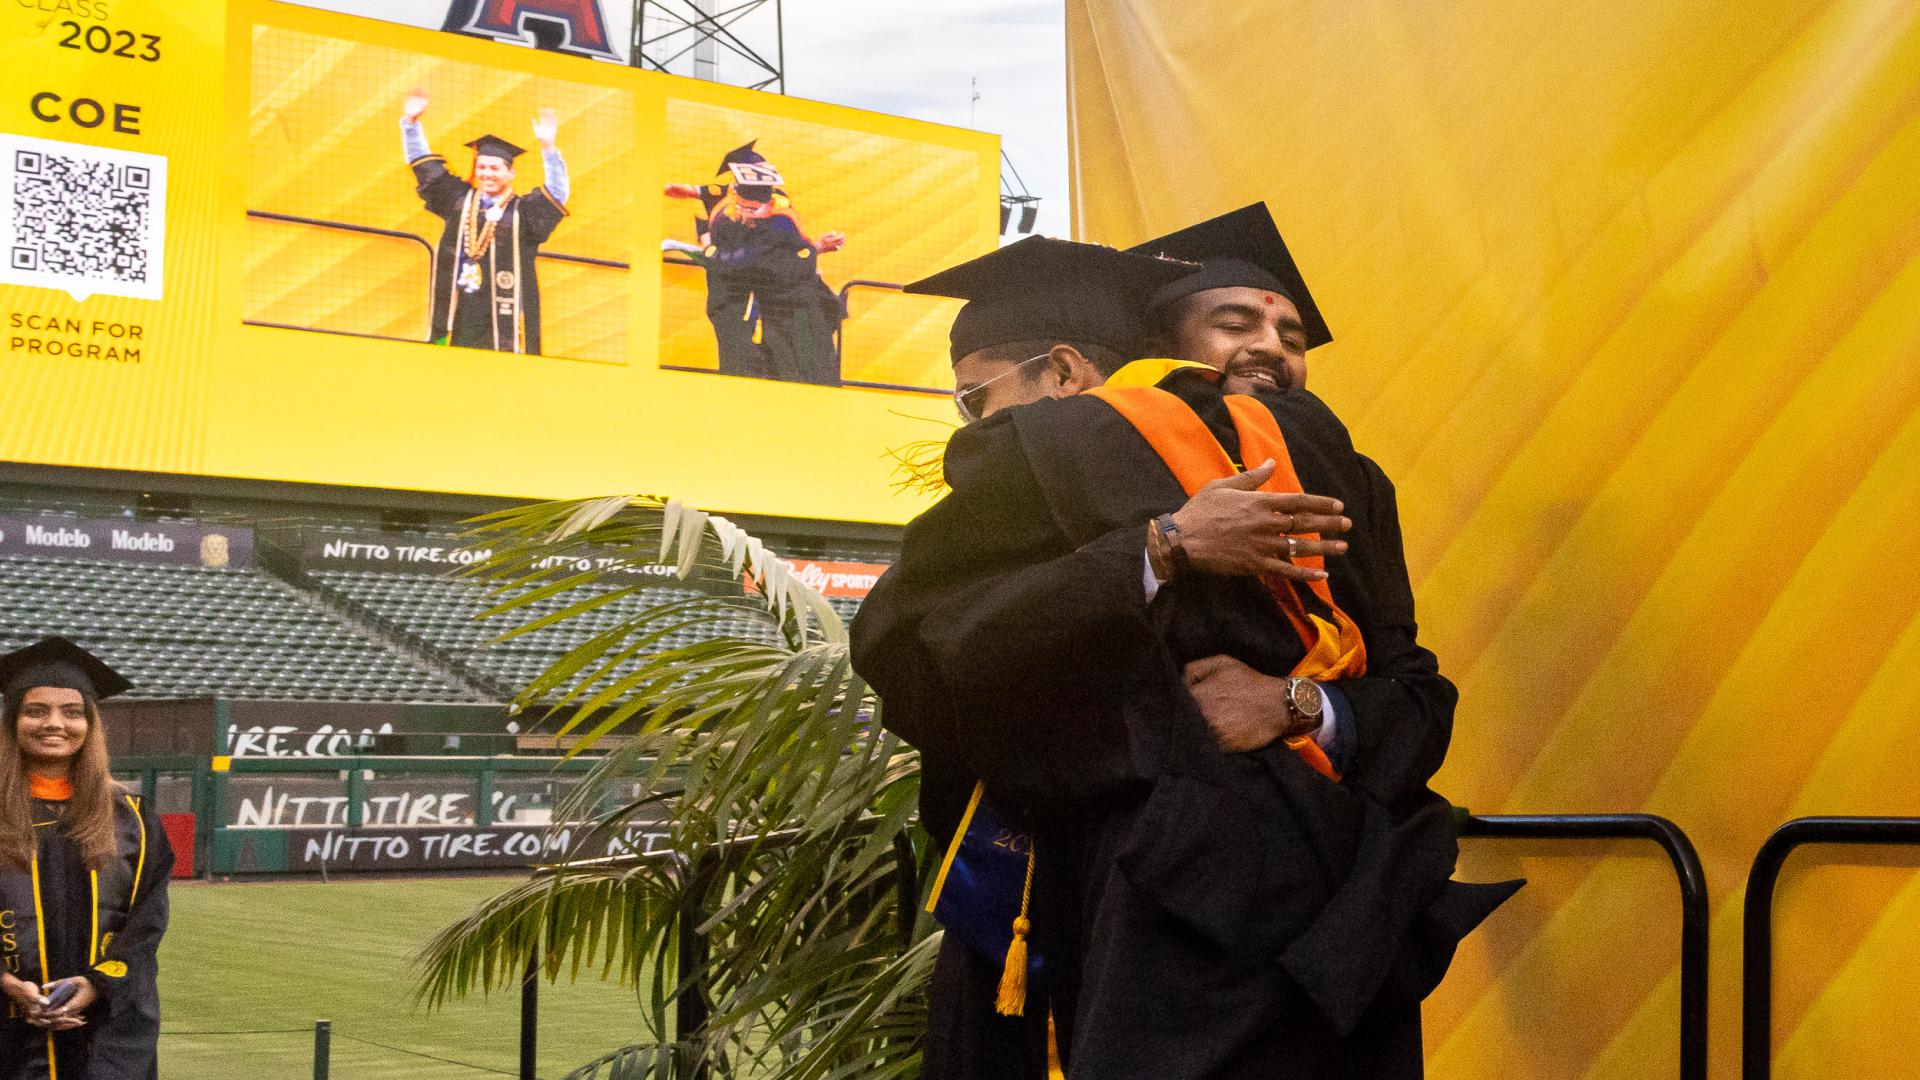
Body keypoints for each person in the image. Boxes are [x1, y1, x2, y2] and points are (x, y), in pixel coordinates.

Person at [852, 235, 1515, 1078]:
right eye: (1232, 322)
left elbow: (1413, 691)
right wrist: (1164, 546)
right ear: (1154, 352)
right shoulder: (1059, 456)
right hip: (1108, 890)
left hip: (1324, 904)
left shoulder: (1350, 479)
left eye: (1292, 336)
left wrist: (1298, 705)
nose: (1269, 347)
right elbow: (925, 649)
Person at [0, 638, 172, 1080]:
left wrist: (97, 984)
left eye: (72, 712)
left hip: (106, 1033)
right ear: (13, 720)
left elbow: (145, 925)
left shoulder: (131, 816)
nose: (54, 723)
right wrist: (7, 983)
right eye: (35, 710)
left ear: (90, 723)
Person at [664, 141, 847, 385]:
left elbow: (748, 261)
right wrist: (694, 192)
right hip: (742, 303)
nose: (746, 212)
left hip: (790, 307)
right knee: (743, 361)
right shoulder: (731, 210)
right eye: (741, 204)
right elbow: (720, 193)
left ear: (768, 202)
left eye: (753, 208)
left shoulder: (779, 222)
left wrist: (707, 247)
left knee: (800, 367)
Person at [401, 91, 570, 355]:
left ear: (510, 172)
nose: (486, 174)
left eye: (494, 168)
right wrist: (410, 124)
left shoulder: (522, 211)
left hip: (506, 308)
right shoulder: (459, 199)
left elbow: (557, 194)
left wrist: (549, 149)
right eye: (482, 167)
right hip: (459, 305)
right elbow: (425, 169)